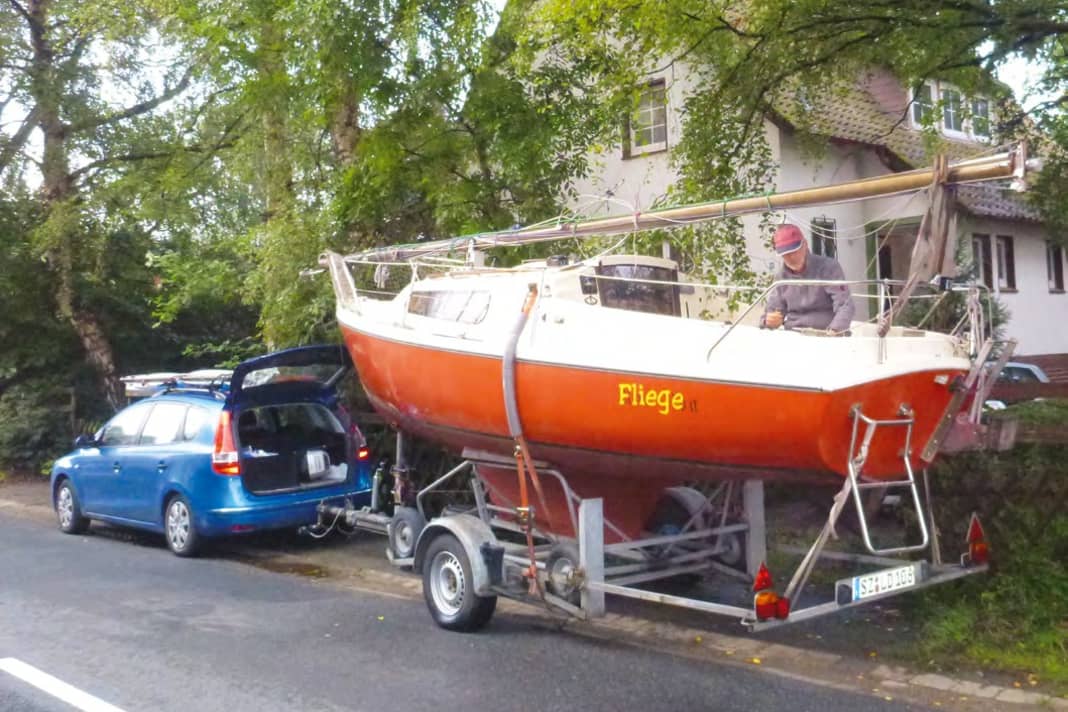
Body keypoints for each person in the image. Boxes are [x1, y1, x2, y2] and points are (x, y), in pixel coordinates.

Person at [761, 224, 855, 334]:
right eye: (785, 254)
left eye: (794, 251)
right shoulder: (781, 278)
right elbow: (772, 312)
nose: (791, 257)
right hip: (793, 336)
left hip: (826, 334)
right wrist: (769, 321)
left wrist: (835, 330)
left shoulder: (829, 268)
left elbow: (845, 304)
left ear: (805, 244)